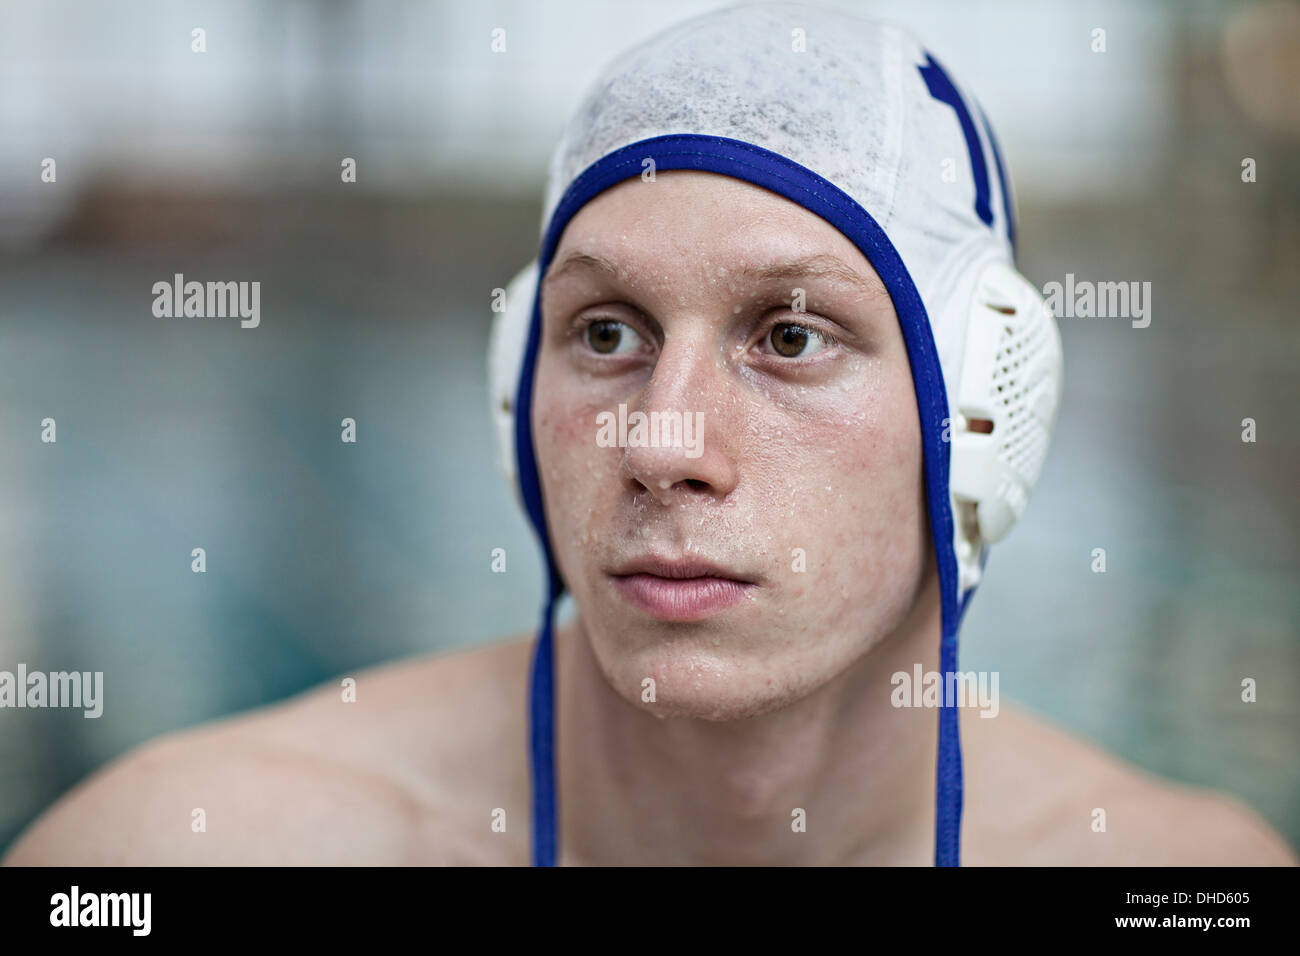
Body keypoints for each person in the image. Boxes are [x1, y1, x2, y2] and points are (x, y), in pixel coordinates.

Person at [5, 3, 1294, 867]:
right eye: (609, 333)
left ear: (988, 406)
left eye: (790, 337)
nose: (661, 444)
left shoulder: (1178, 875)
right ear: (520, 384)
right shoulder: (191, 848)